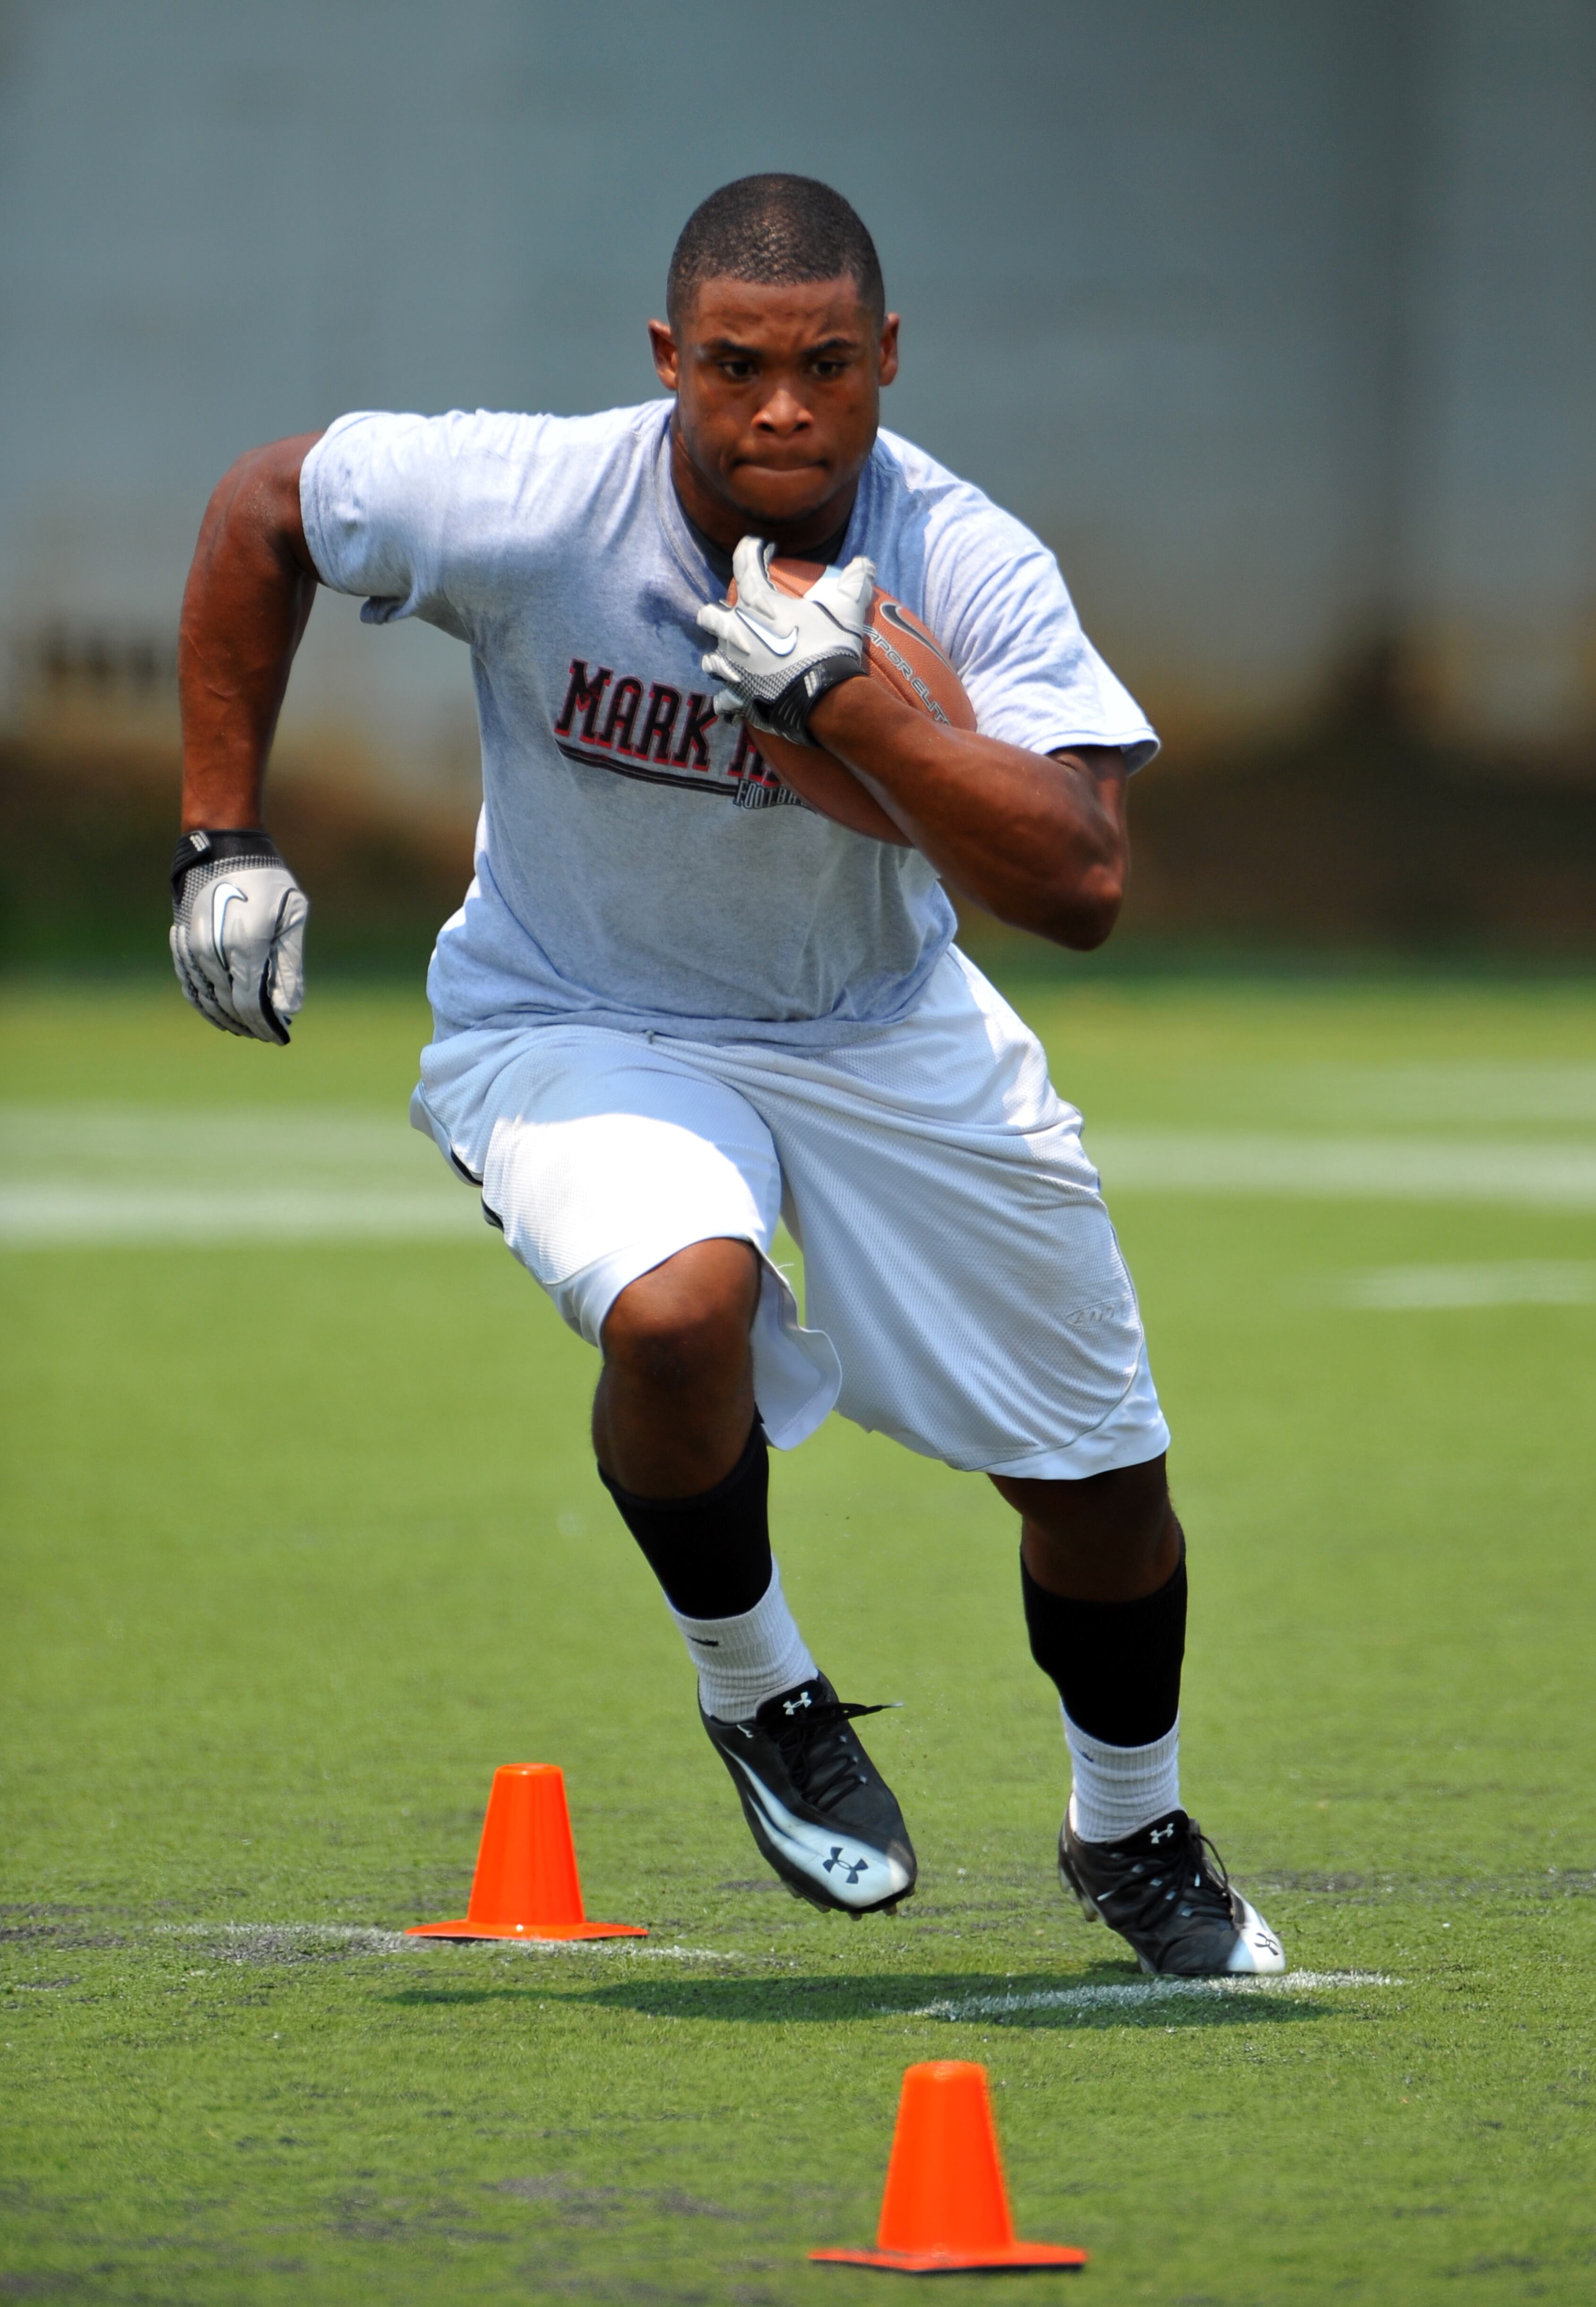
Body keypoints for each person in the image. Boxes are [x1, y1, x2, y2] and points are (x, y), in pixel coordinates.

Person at [170, 173, 1284, 1978]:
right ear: (668, 357)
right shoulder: (535, 501)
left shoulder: (964, 557)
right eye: (741, 366)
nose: (784, 408)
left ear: (889, 359)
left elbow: (1078, 881)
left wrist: (858, 708)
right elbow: (263, 507)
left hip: (877, 1019)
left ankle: (1129, 1819)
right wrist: (218, 837)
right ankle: (763, 1691)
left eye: (829, 365)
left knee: (1099, 1487)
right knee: (680, 1314)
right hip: (576, 1010)